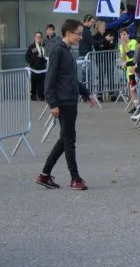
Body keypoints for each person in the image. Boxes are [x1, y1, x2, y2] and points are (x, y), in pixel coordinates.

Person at [36, 19, 99, 191]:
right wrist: (52, 103)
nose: (80, 37)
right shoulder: (58, 51)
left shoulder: (67, 51)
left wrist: (86, 94)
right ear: (68, 33)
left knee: (65, 138)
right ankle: (75, 177)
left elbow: (71, 78)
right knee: (69, 139)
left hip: (70, 99)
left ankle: (45, 174)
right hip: (63, 101)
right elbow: (50, 80)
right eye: (78, 34)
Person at [25, 31, 47, 101]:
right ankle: (33, 96)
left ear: (41, 38)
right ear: (35, 38)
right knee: (34, 83)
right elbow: (26, 57)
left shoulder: (43, 46)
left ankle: (41, 96)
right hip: (34, 68)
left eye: (40, 37)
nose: (38, 38)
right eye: (37, 37)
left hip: (42, 68)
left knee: (42, 83)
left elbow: (47, 56)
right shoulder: (31, 47)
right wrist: (33, 62)